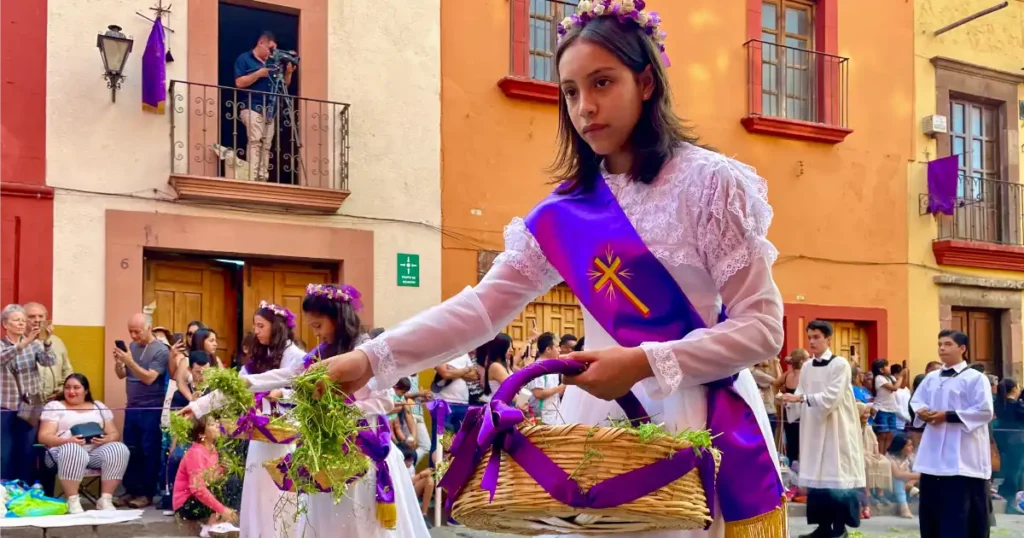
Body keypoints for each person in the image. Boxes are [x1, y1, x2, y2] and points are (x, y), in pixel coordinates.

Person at [315, 4, 787, 536]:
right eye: (570, 91)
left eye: (602, 82)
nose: (585, 107)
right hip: (597, 425)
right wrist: (369, 359)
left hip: (700, 422)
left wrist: (644, 361)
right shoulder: (563, 214)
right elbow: (479, 312)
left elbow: (764, 329)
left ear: (647, 81)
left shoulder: (710, 185)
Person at [188, 286, 430, 537]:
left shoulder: (367, 350)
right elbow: (273, 378)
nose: (316, 334)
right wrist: (200, 405)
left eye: (318, 326)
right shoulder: (317, 356)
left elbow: (385, 401)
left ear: (337, 319)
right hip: (328, 452)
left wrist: (341, 410)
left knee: (363, 521)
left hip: (365, 448)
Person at [191, 302, 303, 538]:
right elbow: (233, 389)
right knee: (257, 490)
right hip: (260, 437)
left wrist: (283, 393)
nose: (257, 331)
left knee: (283, 493)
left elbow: (306, 392)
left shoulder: (296, 357)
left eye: (261, 326)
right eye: (256, 326)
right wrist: (198, 407)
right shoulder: (258, 358)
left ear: (277, 327)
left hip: (285, 437)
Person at [780, 320, 864, 538]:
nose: (812, 342)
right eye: (809, 337)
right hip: (814, 428)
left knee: (835, 473)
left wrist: (801, 398)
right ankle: (823, 526)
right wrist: (788, 401)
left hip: (837, 427)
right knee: (817, 475)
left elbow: (832, 398)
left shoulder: (841, 365)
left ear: (828, 339)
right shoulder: (807, 367)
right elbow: (800, 391)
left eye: (816, 337)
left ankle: (840, 528)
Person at [911, 330, 993, 537]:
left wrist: (946, 416)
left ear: (962, 349)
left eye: (948, 344)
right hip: (933, 455)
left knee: (958, 514)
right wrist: (922, 411)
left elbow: (984, 411)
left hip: (962, 455)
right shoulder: (931, 378)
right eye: (939, 344)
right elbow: (916, 400)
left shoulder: (976, 378)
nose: (941, 348)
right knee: (932, 512)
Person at [38, 373, 130, 514]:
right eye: (67, 388)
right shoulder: (55, 406)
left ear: (86, 390)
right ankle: (73, 501)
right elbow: (43, 437)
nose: (71, 392)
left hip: (94, 452)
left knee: (119, 449)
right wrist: (67, 441)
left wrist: (106, 439)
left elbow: (115, 434)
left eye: (76, 387)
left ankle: (105, 499)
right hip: (61, 451)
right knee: (73, 449)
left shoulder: (98, 406)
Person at [114, 312, 170, 509]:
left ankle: (146, 493)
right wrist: (120, 362)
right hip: (132, 407)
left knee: (149, 450)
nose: (133, 336)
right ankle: (130, 490)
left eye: (137, 331)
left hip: (151, 408)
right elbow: (121, 375)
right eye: (130, 331)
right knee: (131, 449)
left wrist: (129, 362)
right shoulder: (132, 347)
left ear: (149, 328)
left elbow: (149, 378)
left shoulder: (161, 350)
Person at [0, 304, 56, 484]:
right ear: (5, 325)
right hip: (6, 407)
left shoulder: (35, 344)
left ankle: (26, 490)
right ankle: (4, 492)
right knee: (5, 453)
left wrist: (47, 342)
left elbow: (49, 361)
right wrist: (23, 343)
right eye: (17, 320)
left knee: (27, 452)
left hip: (30, 406)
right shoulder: (2, 345)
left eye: (23, 320)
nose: (22, 324)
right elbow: (3, 358)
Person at [234, 30, 295, 182]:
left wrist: (288, 73)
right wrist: (257, 74)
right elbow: (239, 83)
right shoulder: (244, 59)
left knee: (266, 144)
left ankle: (262, 176)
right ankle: (252, 176)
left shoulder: (272, 63)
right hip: (251, 105)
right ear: (261, 43)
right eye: (271, 48)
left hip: (270, 109)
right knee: (255, 140)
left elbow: (284, 85)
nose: (272, 53)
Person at [173, 415, 239, 535]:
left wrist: (222, 470)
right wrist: (222, 510)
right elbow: (197, 488)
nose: (217, 426)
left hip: (199, 496)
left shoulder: (213, 449)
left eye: (216, 423)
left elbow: (210, 479)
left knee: (232, 481)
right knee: (223, 489)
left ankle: (214, 524)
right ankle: (211, 527)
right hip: (186, 504)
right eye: (212, 424)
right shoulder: (196, 453)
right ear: (202, 435)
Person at [25, 302, 74, 399]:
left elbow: (67, 370)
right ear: (23, 319)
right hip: (26, 403)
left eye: (41, 316)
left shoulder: (56, 341)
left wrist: (62, 390)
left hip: (54, 401)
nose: (37, 320)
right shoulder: (19, 343)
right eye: (31, 316)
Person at [994, 378, 1024, 507]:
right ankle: (1011, 498)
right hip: (1017, 440)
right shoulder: (1017, 406)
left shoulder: (998, 403)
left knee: (1010, 468)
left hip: (1002, 439)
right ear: (1014, 389)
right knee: (1015, 469)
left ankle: (1006, 492)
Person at [526, 332, 566, 425]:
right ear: (548, 349)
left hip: (553, 416)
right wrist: (562, 386)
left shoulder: (552, 367)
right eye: (556, 347)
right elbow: (538, 393)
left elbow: (556, 393)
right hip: (541, 418)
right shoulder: (537, 367)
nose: (559, 350)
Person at [776, 348, 807, 465]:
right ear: (802, 361)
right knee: (802, 441)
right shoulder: (805, 375)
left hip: (788, 412)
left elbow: (775, 383)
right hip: (802, 411)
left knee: (790, 440)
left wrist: (783, 391)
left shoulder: (787, 374)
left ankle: (791, 464)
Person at [886, 434, 919, 519]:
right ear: (900, 446)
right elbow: (898, 474)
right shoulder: (889, 457)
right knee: (899, 480)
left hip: (910, 487)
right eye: (908, 445)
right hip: (891, 490)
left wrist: (912, 481)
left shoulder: (911, 456)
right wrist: (918, 476)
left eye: (912, 445)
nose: (912, 447)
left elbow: (919, 472)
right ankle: (904, 507)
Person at [870, 359, 899, 456]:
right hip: (882, 409)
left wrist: (902, 376)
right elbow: (894, 388)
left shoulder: (889, 377)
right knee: (883, 434)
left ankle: (885, 454)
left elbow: (900, 385)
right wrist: (901, 377)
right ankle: (880, 454)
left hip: (891, 409)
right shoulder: (879, 378)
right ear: (881, 370)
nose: (889, 367)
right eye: (887, 366)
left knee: (890, 434)